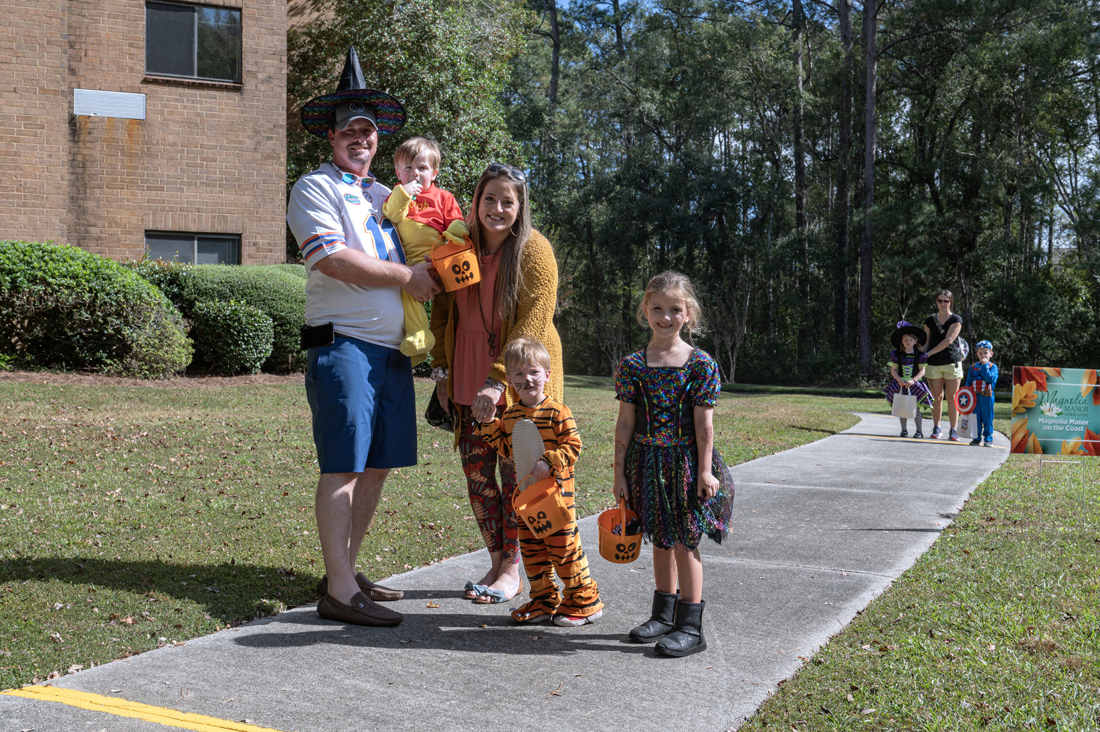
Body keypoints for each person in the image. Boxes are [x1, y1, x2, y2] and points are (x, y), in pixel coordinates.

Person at [288, 47, 441, 626]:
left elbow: (432, 238)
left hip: (393, 352)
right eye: (349, 130)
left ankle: (345, 572)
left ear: (379, 142)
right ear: (331, 137)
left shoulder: (386, 197)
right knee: (345, 465)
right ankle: (339, 592)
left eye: (368, 132)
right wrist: (411, 276)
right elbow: (331, 258)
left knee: (377, 465)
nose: (360, 139)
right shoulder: (314, 189)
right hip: (343, 345)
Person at [429, 162, 562, 606]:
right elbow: (444, 312)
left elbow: (535, 324)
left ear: (520, 207)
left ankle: (512, 568)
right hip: (466, 373)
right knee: (477, 473)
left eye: (508, 201)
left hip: (518, 379)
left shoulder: (533, 252)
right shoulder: (457, 246)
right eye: (490, 199)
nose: (498, 208)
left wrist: (498, 381)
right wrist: (442, 373)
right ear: (476, 202)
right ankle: (496, 557)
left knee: (517, 477)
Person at [613, 271, 735, 658]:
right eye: (657, 308)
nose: (665, 317)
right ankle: (663, 615)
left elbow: (704, 423)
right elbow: (626, 421)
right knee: (659, 537)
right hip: (645, 462)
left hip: (685, 462)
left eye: (675, 310)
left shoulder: (700, 364)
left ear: (689, 314)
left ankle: (690, 627)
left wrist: (704, 470)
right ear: (644, 311)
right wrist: (619, 471)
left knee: (684, 540)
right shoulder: (633, 365)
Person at [476, 337, 603, 625]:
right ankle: (544, 600)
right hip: (526, 500)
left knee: (564, 550)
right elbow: (507, 449)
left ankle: (585, 600)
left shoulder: (558, 412)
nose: (527, 379)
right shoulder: (511, 415)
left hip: (557, 498)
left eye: (534, 372)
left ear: (547, 374)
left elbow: (574, 446)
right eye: (519, 374)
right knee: (533, 553)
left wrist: (550, 460)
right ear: (509, 381)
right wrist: (487, 425)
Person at [382, 136, 468, 364]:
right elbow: (392, 214)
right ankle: (419, 337)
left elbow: (457, 223)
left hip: (441, 256)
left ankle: (451, 348)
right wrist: (404, 192)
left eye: (422, 168)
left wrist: (451, 235)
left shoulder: (444, 197)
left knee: (452, 307)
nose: (415, 173)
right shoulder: (399, 197)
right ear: (398, 173)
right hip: (412, 263)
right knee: (406, 291)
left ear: (435, 173)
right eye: (408, 168)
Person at [922, 290, 964, 441]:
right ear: (936, 302)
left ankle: (953, 429)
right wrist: (921, 355)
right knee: (936, 398)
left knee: (952, 398)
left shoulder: (956, 319)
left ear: (951, 302)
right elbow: (926, 342)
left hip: (951, 362)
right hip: (933, 365)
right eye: (940, 300)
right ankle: (937, 427)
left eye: (946, 301)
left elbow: (949, 340)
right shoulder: (929, 320)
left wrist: (930, 353)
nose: (943, 304)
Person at [884, 321, 933, 438]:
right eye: (905, 339)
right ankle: (904, 430)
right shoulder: (897, 354)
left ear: (915, 341)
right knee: (902, 407)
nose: (908, 342)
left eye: (911, 339)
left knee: (915, 408)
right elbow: (893, 370)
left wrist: (913, 380)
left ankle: (919, 431)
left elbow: (922, 371)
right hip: (900, 383)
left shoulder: (920, 355)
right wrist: (899, 380)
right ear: (901, 341)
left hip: (914, 384)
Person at [964, 340, 999, 447]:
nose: (983, 355)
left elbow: (990, 379)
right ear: (977, 354)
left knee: (987, 419)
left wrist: (984, 366)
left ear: (991, 354)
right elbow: (967, 383)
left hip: (987, 397)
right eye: (980, 353)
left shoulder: (993, 367)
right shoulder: (972, 367)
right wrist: (965, 396)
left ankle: (988, 438)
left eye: (985, 353)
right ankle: (976, 438)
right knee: (976, 418)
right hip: (974, 397)